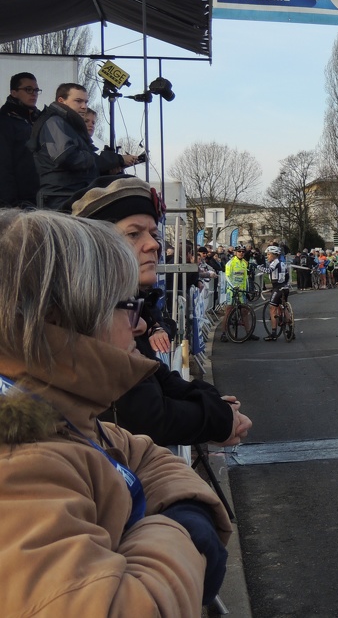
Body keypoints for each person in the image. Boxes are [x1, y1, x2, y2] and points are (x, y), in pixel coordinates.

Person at [0, 208, 231, 613]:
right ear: (67, 317)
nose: (138, 324)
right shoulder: (20, 461)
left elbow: (144, 453)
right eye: (127, 305)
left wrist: (136, 536)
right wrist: (186, 526)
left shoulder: (62, 414)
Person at [70, 175, 251, 446]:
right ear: (98, 246)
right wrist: (220, 419)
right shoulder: (90, 314)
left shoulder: (127, 304)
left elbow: (159, 378)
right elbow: (147, 418)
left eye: (154, 234)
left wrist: (218, 406)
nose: (154, 245)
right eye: (134, 234)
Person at [29, 83, 139, 209]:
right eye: (78, 101)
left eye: (86, 102)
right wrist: (112, 159)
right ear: (61, 100)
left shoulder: (67, 124)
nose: (84, 107)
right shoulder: (54, 122)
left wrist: (105, 169)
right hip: (60, 197)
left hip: (68, 195)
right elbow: (67, 158)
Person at [0, 72, 41, 208]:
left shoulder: (38, 119)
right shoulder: (5, 121)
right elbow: (3, 165)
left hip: (38, 196)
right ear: (14, 92)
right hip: (17, 202)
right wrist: (10, 203)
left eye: (36, 90)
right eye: (28, 89)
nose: (33, 93)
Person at [223, 245, 259, 341]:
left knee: (245, 312)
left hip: (242, 291)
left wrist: (248, 290)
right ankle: (224, 333)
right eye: (239, 251)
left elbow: (246, 278)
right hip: (232, 290)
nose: (241, 253)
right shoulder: (230, 263)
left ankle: (249, 333)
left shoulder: (244, 263)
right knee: (229, 310)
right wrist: (233, 287)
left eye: (243, 251)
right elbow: (227, 277)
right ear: (235, 252)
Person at [264, 245, 292, 341]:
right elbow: (287, 276)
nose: (267, 256)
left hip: (277, 288)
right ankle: (291, 329)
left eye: (268, 254)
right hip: (285, 288)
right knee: (282, 308)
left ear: (274, 255)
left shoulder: (274, 262)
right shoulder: (282, 263)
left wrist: (257, 266)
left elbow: (268, 270)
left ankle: (273, 333)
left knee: (272, 308)